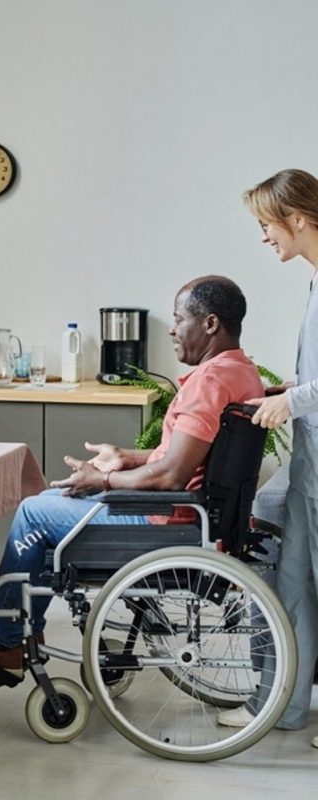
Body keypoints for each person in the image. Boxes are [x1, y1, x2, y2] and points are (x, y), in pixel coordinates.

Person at [0, 276, 263, 679]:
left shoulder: (209, 381)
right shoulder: (241, 372)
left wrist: (103, 481)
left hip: (167, 522)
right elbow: (188, 455)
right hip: (189, 516)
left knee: (33, 513)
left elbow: (171, 474)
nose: (171, 329)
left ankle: (6, 643)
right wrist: (126, 458)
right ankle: (10, 633)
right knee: (47, 504)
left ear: (210, 323)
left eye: (178, 318)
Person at [216, 169, 318, 745]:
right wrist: (290, 390)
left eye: (266, 224)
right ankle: (284, 706)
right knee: (294, 586)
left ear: (297, 219)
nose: (263, 236)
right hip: (309, 464)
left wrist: (293, 401)